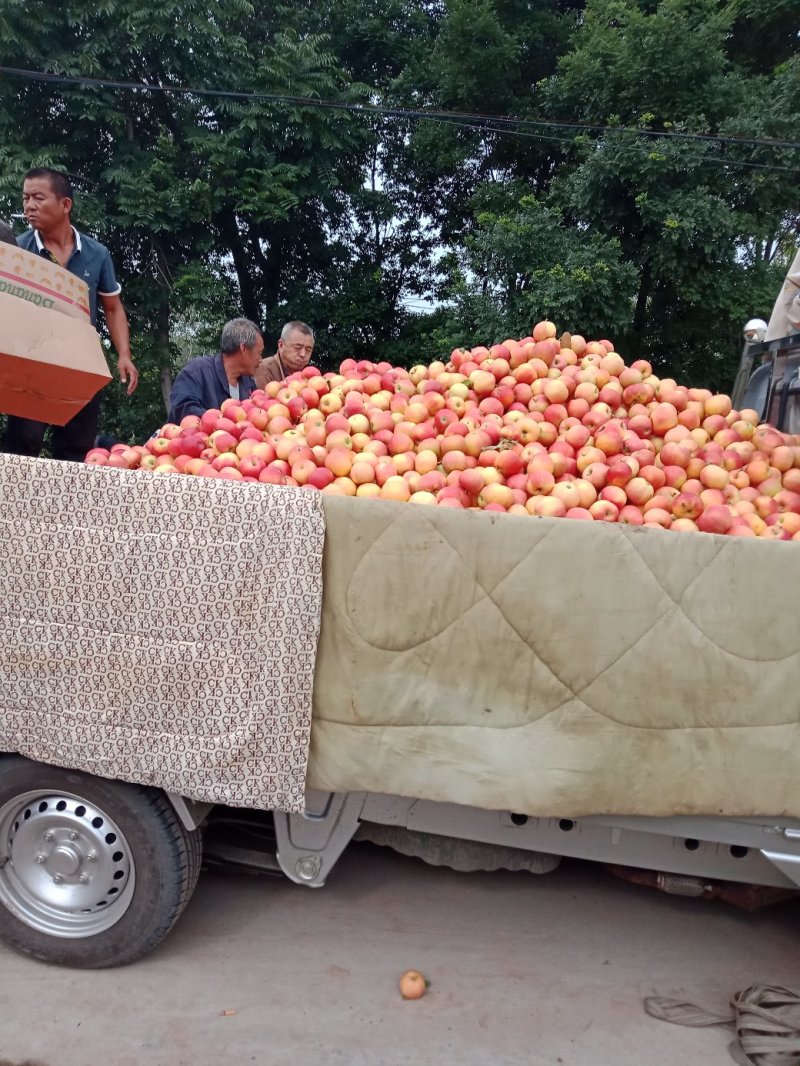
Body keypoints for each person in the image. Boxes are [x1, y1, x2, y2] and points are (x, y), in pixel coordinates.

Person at [2, 167, 139, 462]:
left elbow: (113, 308)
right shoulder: (16, 250)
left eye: (38, 197)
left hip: (80, 364)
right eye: (25, 198)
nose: (29, 205)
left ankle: (68, 508)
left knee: (76, 450)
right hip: (32, 362)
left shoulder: (96, 254)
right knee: (22, 446)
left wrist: (124, 354)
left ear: (66, 205)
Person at [167, 318, 264, 423]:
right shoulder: (197, 371)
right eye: (259, 353)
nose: (261, 360)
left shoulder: (247, 382)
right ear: (243, 349)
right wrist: (222, 422)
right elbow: (183, 410)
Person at [254, 321, 315, 389]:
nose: (303, 354)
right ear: (281, 345)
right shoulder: (264, 370)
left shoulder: (310, 376)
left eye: (308, 350)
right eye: (297, 347)